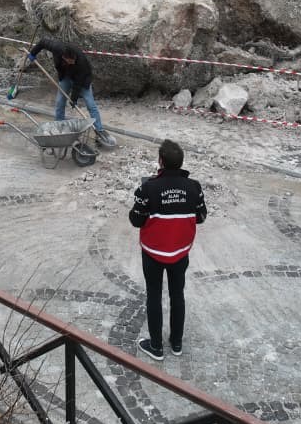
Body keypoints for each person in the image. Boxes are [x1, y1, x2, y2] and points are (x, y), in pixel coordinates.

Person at [128, 139, 208, 361]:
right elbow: (201, 217)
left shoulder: (147, 188)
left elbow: (136, 220)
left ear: (160, 162)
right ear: (181, 163)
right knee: (177, 294)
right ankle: (176, 343)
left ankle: (155, 346)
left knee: (154, 295)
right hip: (180, 252)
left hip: (153, 253)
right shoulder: (194, 187)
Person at [23, 36, 113, 146]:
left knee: (90, 104)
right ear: (64, 57)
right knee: (60, 102)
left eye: (73, 60)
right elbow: (42, 42)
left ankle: (99, 130)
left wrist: (74, 99)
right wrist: (33, 53)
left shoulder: (81, 62)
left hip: (82, 80)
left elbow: (78, 83)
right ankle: (59, 128)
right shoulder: (57, 47)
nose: (72, 62)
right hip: (65, 77)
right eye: (70, 61)